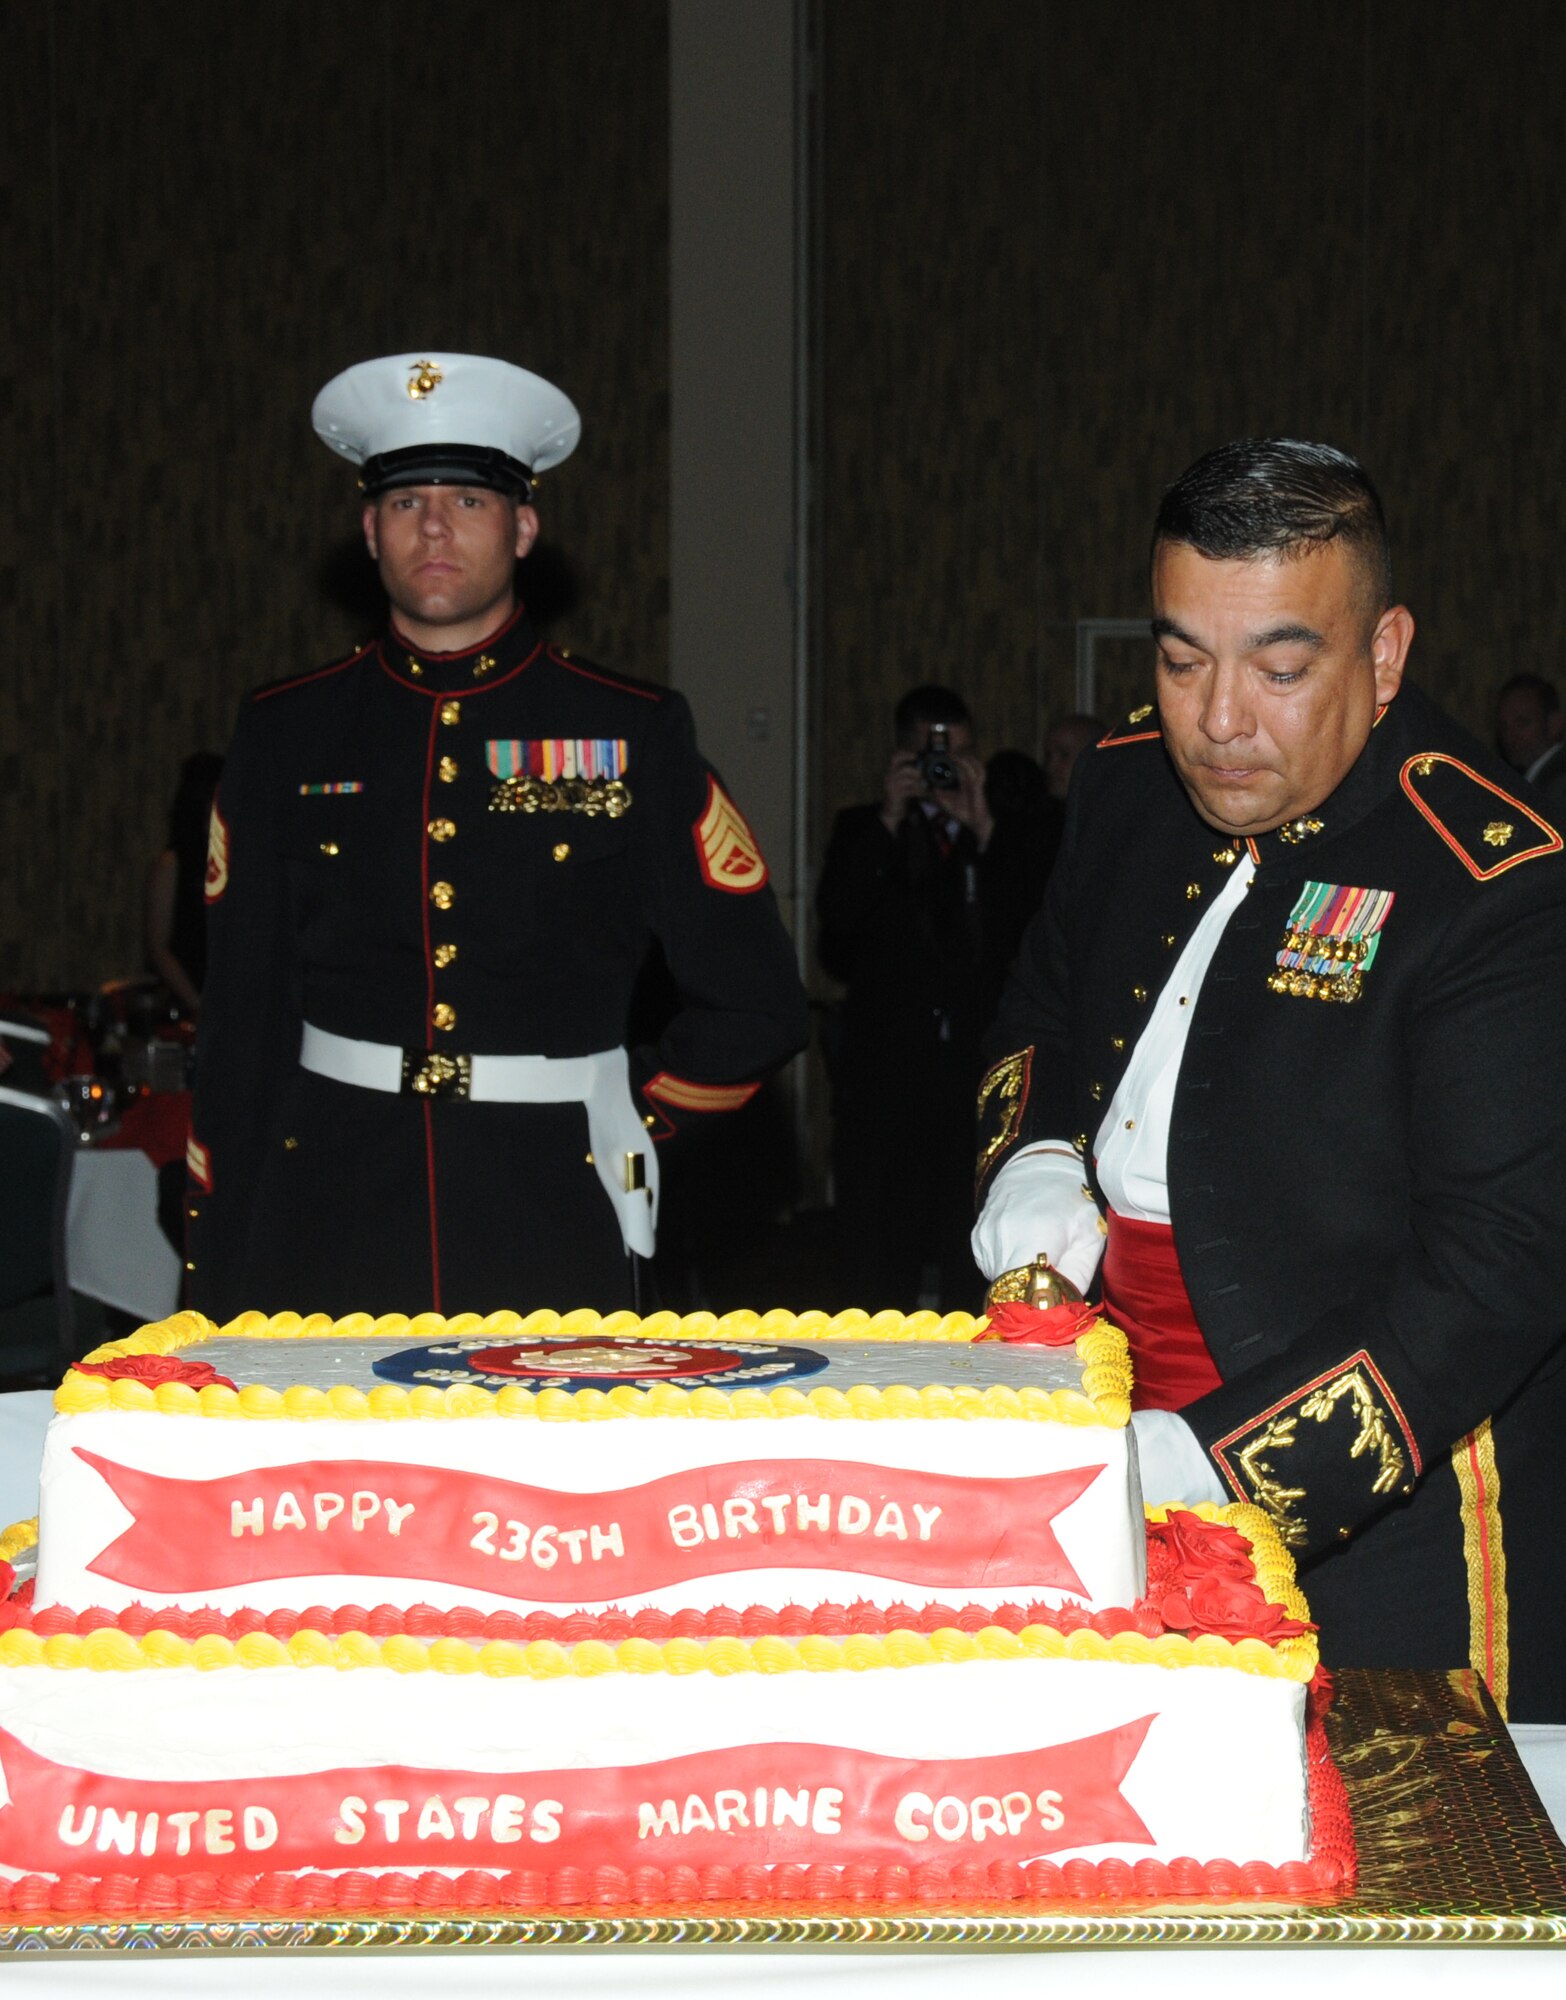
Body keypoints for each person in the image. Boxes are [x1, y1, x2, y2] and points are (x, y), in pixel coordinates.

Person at [972, 438, 1566, 1722]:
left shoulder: (1491, 882)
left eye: (1282, 667)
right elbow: (1041, 1006)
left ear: (1386, 653)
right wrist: (1031, 1153)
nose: (1220, 719)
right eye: (1182, 659)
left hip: (1387, 1488)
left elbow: (1501, 1267)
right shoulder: (1128, 785)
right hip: (1105, 1406)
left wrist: (1205, 1463)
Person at [189, 352, 806, 1318]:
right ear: (367, 530)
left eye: (468, 501)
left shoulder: (631, 729)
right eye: (405, 503)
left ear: (523, 528)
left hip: (554, 1208)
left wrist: (633, 1125)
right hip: (328, 1213)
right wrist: (221, 1256)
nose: (434, 525)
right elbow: (241, 1021)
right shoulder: (287, 729)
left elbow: (758, 1001)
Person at [817, 687, 1051, 1306]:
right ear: (900, 756)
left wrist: (984, 826)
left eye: (958, 753)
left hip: (972, 1082)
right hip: (886, 1080)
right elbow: (835, 930)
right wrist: (890, 820)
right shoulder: (862, 830)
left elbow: (1035, 934)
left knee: (966, 1247)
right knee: (876, 1255)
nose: (941, 768)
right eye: (927, 755)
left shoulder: (1008, 837)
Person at [144, 751, 224, 1016]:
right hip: (186, 1002)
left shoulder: (230, 862)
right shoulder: (172, 863)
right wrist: (198, 1004)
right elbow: (159, 947)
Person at [1495, 672, 1566, 799]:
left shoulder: (1558, 784)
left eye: (1522, 723)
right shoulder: (1535, 781)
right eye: (1504, 727)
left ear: (1554, 723)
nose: (1511, 737)